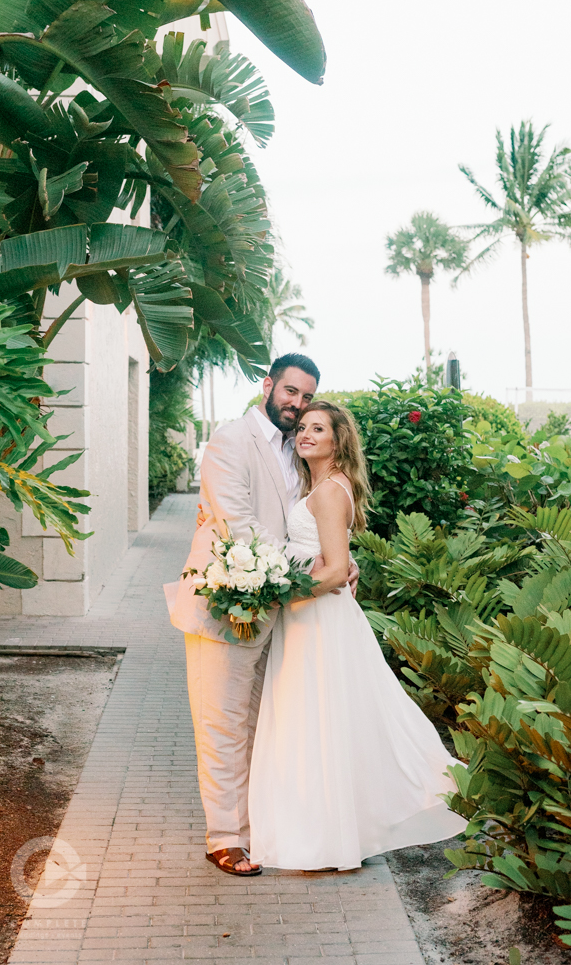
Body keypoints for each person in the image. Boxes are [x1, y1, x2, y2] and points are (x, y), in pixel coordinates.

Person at [247, 401, 467, 871]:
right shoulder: (326, 485)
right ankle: (324, 828)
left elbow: (335, 571)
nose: (305, 434)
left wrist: (277, 593)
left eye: (317, 429)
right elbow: (334, 562)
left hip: (317, 619)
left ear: (337, 440)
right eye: (302, 427)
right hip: (315, 618)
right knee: (326, 722)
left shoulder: (328, 492)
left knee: (315, 720)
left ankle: (325, 836)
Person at [168, 356, 358, 877]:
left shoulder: (294, 451)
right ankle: (224, 838)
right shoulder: (231, 441)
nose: (297, 405)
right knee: (222, 725)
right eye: (290, 392)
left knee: (258, 728)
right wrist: (316, 570)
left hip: (276, 612)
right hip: (226, 606)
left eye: (306, 397)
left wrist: (342, 560)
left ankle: (256, 831)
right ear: (269, 384)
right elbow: (240, 528)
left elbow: (312, 522)